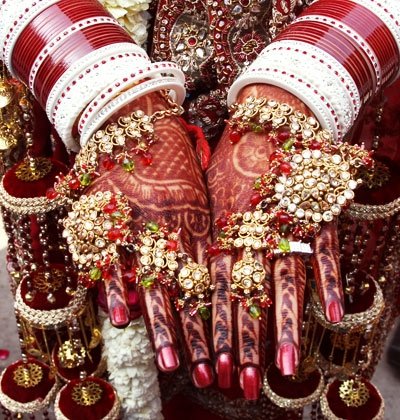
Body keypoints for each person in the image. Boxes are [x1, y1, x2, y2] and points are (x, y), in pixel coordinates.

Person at [0, 0, 399, 419]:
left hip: (326, 88)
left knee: (282, 315)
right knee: (121, 313)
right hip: (85, 67)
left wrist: (300, 89)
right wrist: (112, 98)